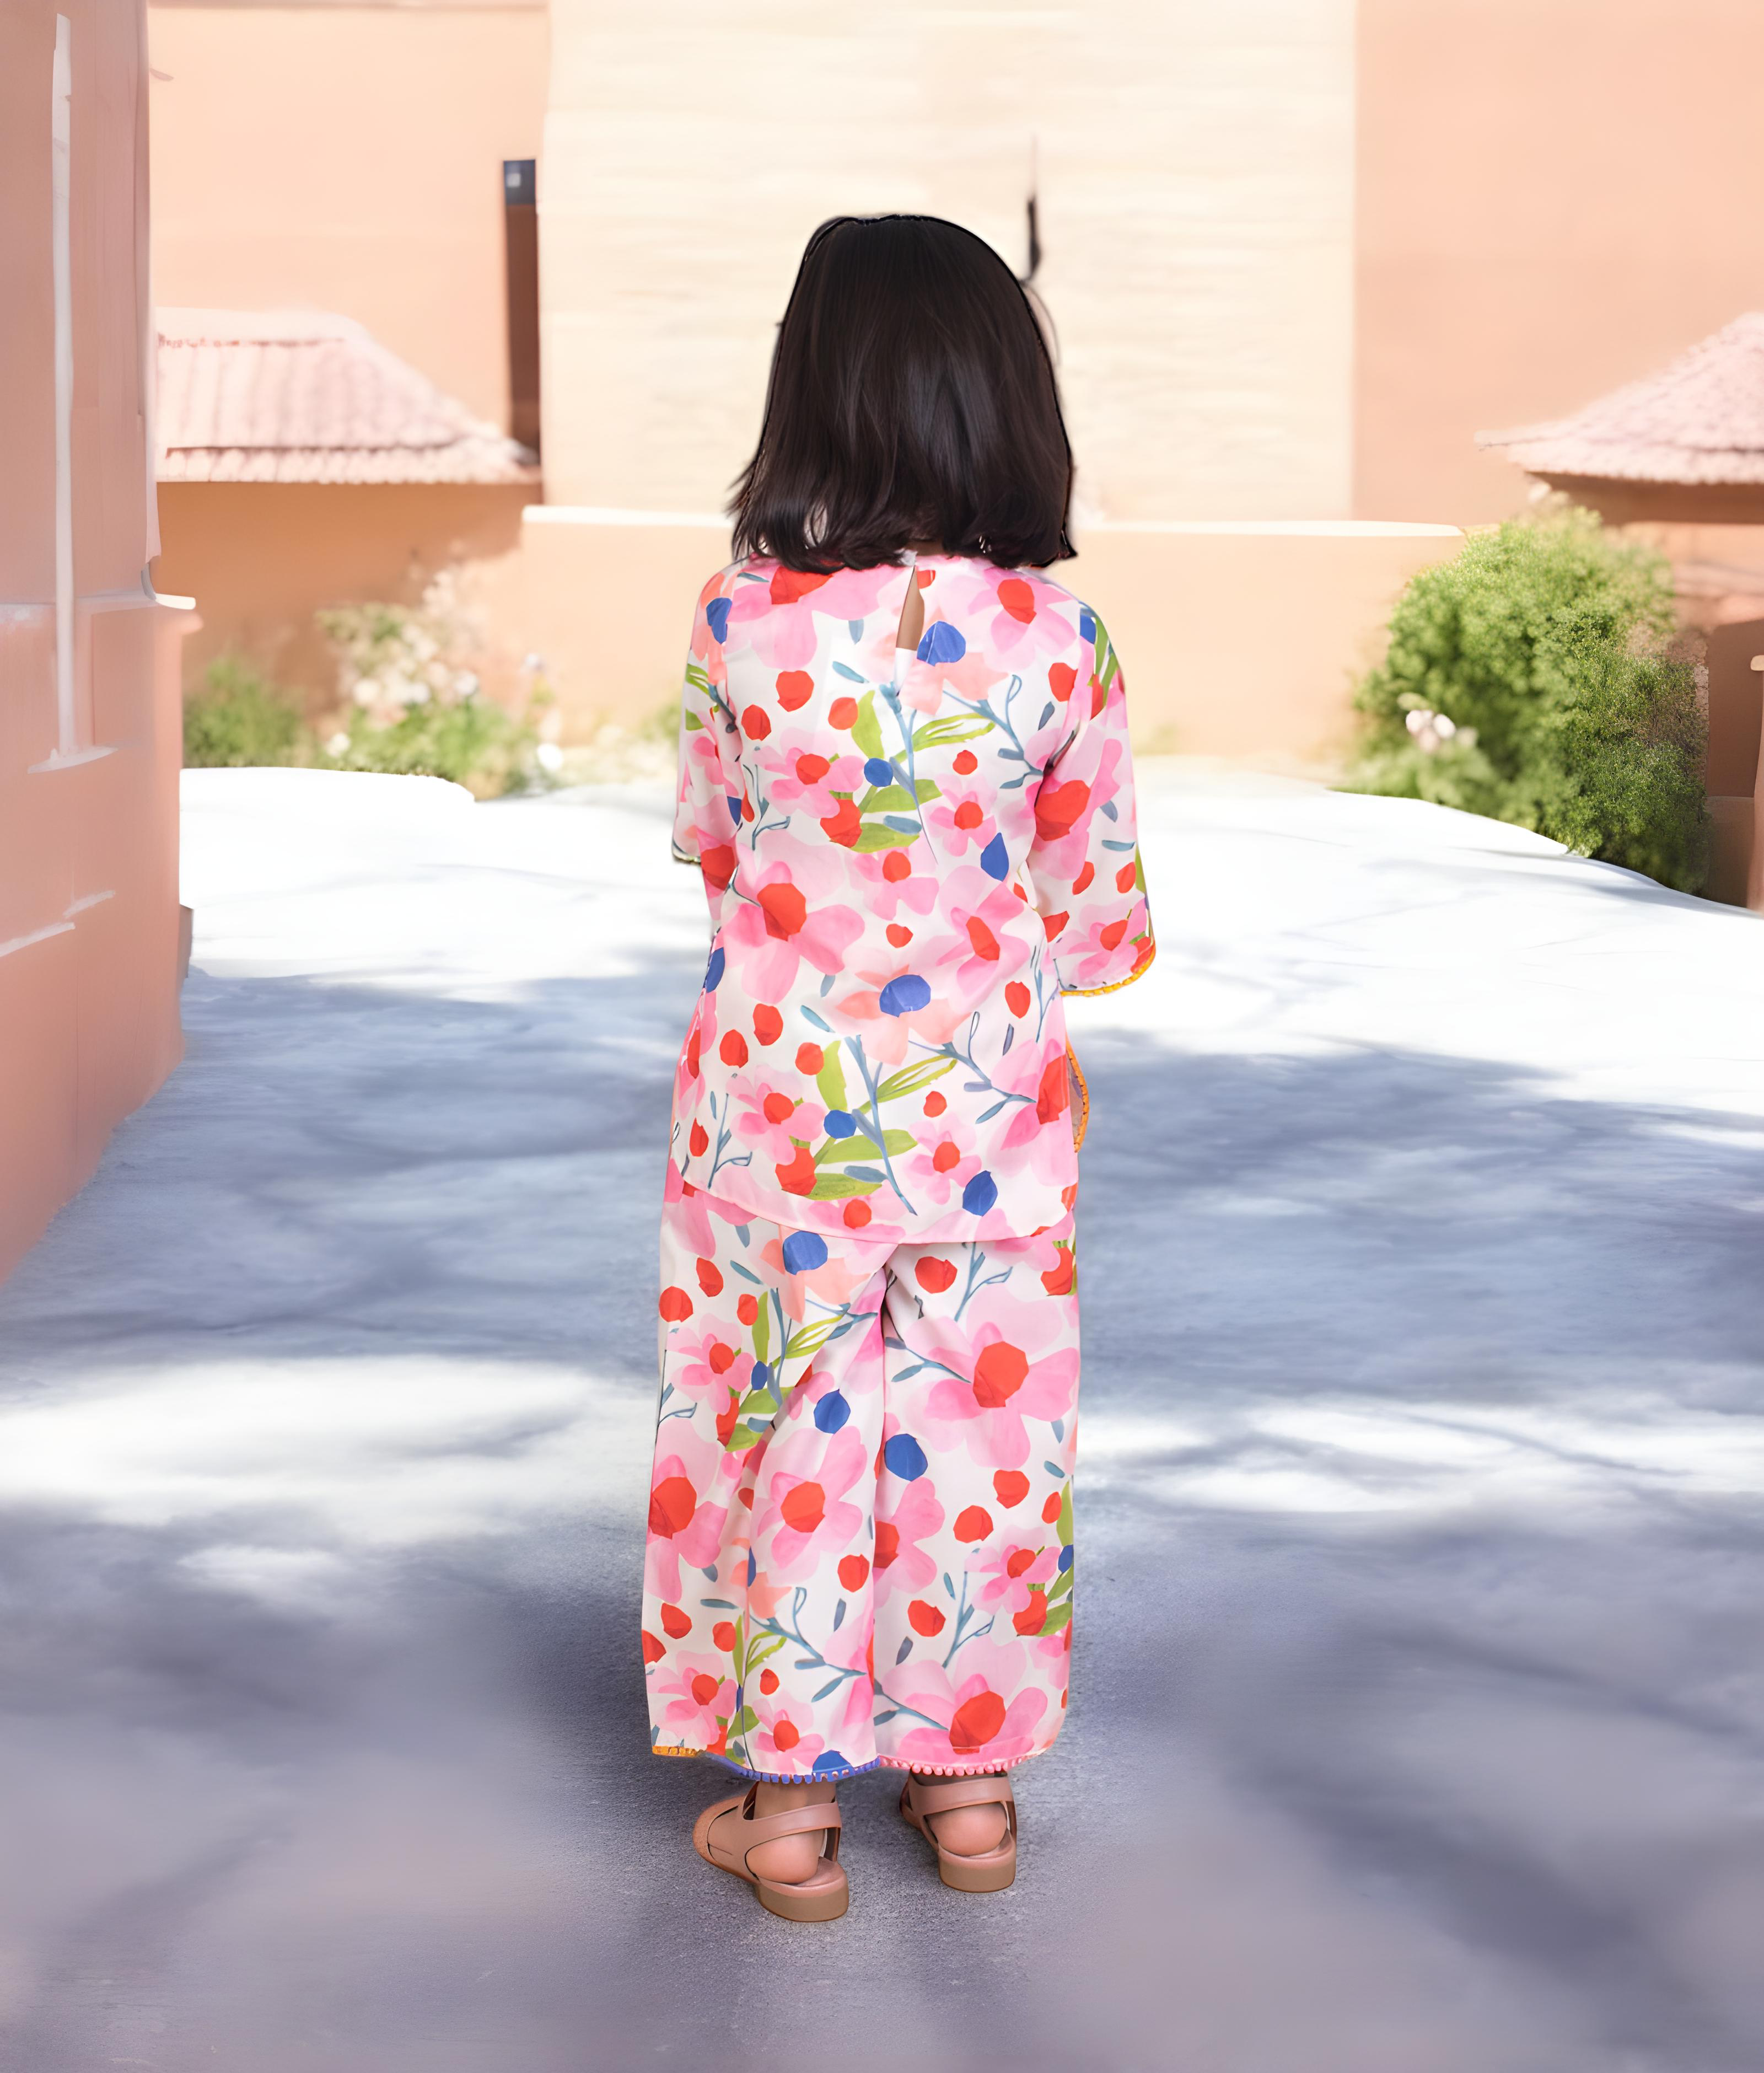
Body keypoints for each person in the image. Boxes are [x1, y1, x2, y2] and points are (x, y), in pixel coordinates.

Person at [641, 213, 1154, 1922]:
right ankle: (972, 1787)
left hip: (775, 1110)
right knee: (979, 1437)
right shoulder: (1061, 644)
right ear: (1005, 400)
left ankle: (788, 1810)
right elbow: (1094, 926)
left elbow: (723, 859)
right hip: (991, 1121)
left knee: (785, 1419)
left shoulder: (738, 625)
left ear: (817, 397)